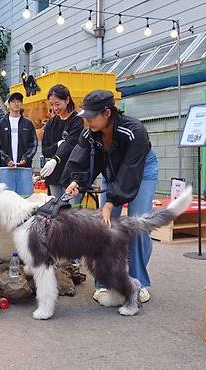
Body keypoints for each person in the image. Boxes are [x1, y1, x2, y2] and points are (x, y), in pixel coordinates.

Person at [62, 90, 159, 304]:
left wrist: (111, 202)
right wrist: (76, 181)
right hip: (110, 171)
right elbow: (81, 159)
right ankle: (103, 282)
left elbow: (130, 171)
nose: (86, 121)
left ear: (107, 113)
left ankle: (137, 280)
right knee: (103, 227)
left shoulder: (135, 132)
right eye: (84, 116)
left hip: (141, 170)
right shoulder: (89, 133)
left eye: (91, 116)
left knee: (137, 224)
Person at [40, 84, 83, 204]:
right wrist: (57, 145)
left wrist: (55, 158)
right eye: (52, 105)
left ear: (67, 100)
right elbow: (46, 150)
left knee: (72, 212)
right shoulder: (51, 124)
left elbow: (70, 145)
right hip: (54, 175)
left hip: (71, 174)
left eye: (57, 104)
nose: (54, 108)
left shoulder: (77, 121)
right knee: (56, 210)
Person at [0, 92, 38, 196]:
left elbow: (33, 144)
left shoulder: (28, 124)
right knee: (5, 199)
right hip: (6, 168)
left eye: (19, 101)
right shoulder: (1, 124)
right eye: (13, 101)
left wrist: (26, 158)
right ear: (9, 104)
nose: (16, 104)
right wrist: (6, 159)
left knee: (26, 198)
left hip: (24, 168)